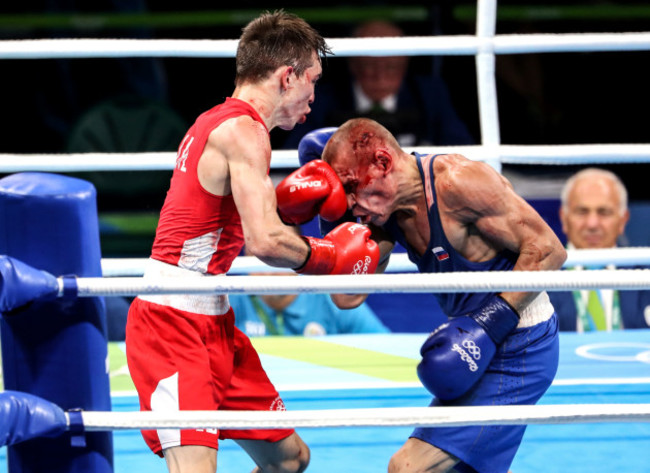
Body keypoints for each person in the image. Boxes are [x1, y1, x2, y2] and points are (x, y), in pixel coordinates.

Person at [125, 11, 381, 473]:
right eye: (312, 81)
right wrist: (328, 255)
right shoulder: (245, 132)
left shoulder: (217, 121)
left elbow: (233, 223)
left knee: (289, 460)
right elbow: (264, 242)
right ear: (288, 77)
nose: (313, 99)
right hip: (172, 324)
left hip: (215, 321)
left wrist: (288, 213)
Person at [287, 120, 567, 473]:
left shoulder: (460, 183)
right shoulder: (384, 211)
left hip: (521, 345)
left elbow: (548, 249)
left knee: (408, 467)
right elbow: (346, 296)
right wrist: (336, 220)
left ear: (383, 163)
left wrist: (489, 322)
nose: (354, 204)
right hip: (475, 347)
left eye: (352, 189)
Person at [278, 20, 474, 150]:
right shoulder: (322, 97)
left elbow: (463, 149)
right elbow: (295, 152)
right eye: (370, 65)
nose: (380, 76)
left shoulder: (429, 93)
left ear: (404, 64)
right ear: (353, 64)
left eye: (390, 67)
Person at [230, 227, 389, 337]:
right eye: (260, 258)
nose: (270, 270)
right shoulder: (231, 300)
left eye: (278, 257)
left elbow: (383, 343)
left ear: (298, 256)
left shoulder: (328, 295)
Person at [548, 167, 650, 331]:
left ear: (623, 220)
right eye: (582, 212)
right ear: (564, 218)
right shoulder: (541, 276)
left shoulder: (644, 274)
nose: (592, 224)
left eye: (604, 212)